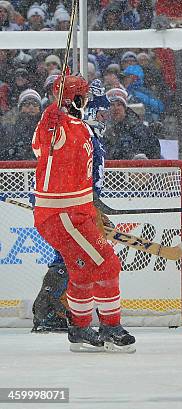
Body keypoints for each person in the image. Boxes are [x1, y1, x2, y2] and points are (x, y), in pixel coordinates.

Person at [31, 75, 135, 353]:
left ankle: (79, 328)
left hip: (80, 208)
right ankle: (110, 326)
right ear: (77, 99)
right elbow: (42, 147)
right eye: (86, 97)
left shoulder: (82, 128)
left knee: (82, 269)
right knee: (108, 264)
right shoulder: (56, 125)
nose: (89, 103)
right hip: (61, 213)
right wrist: (48, 120)